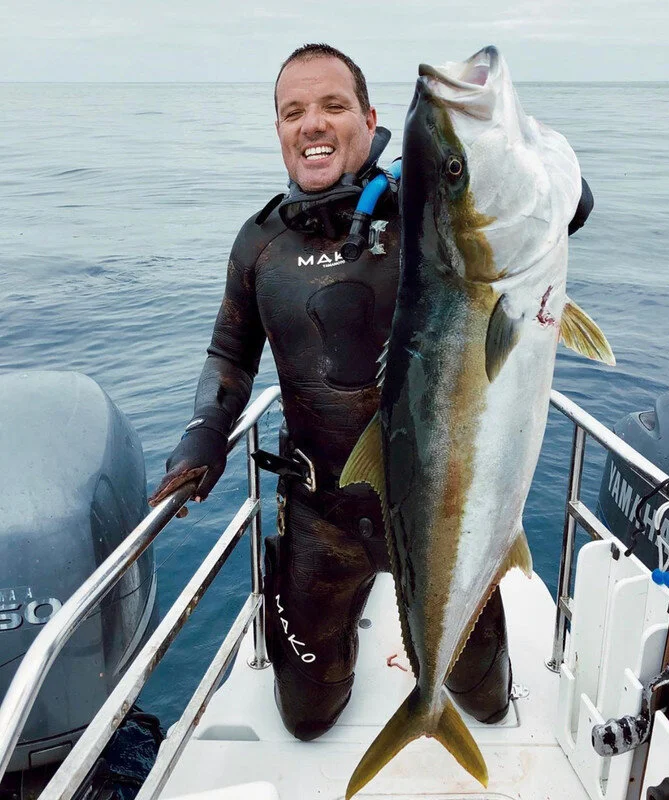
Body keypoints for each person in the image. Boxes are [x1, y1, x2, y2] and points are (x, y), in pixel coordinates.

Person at [149, 43, 593, 742]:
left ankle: (448, 672)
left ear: (370, 118)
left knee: (487, 700)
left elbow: (522, 217)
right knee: (307, 720)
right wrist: (203, 434)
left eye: (333, 105)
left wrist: (549, 180)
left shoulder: (422, 216)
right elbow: (229, 353)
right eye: (293, 111)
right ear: (278, 130)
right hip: (322, 517)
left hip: (432, 511)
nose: (313, 124)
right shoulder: (258, 243)